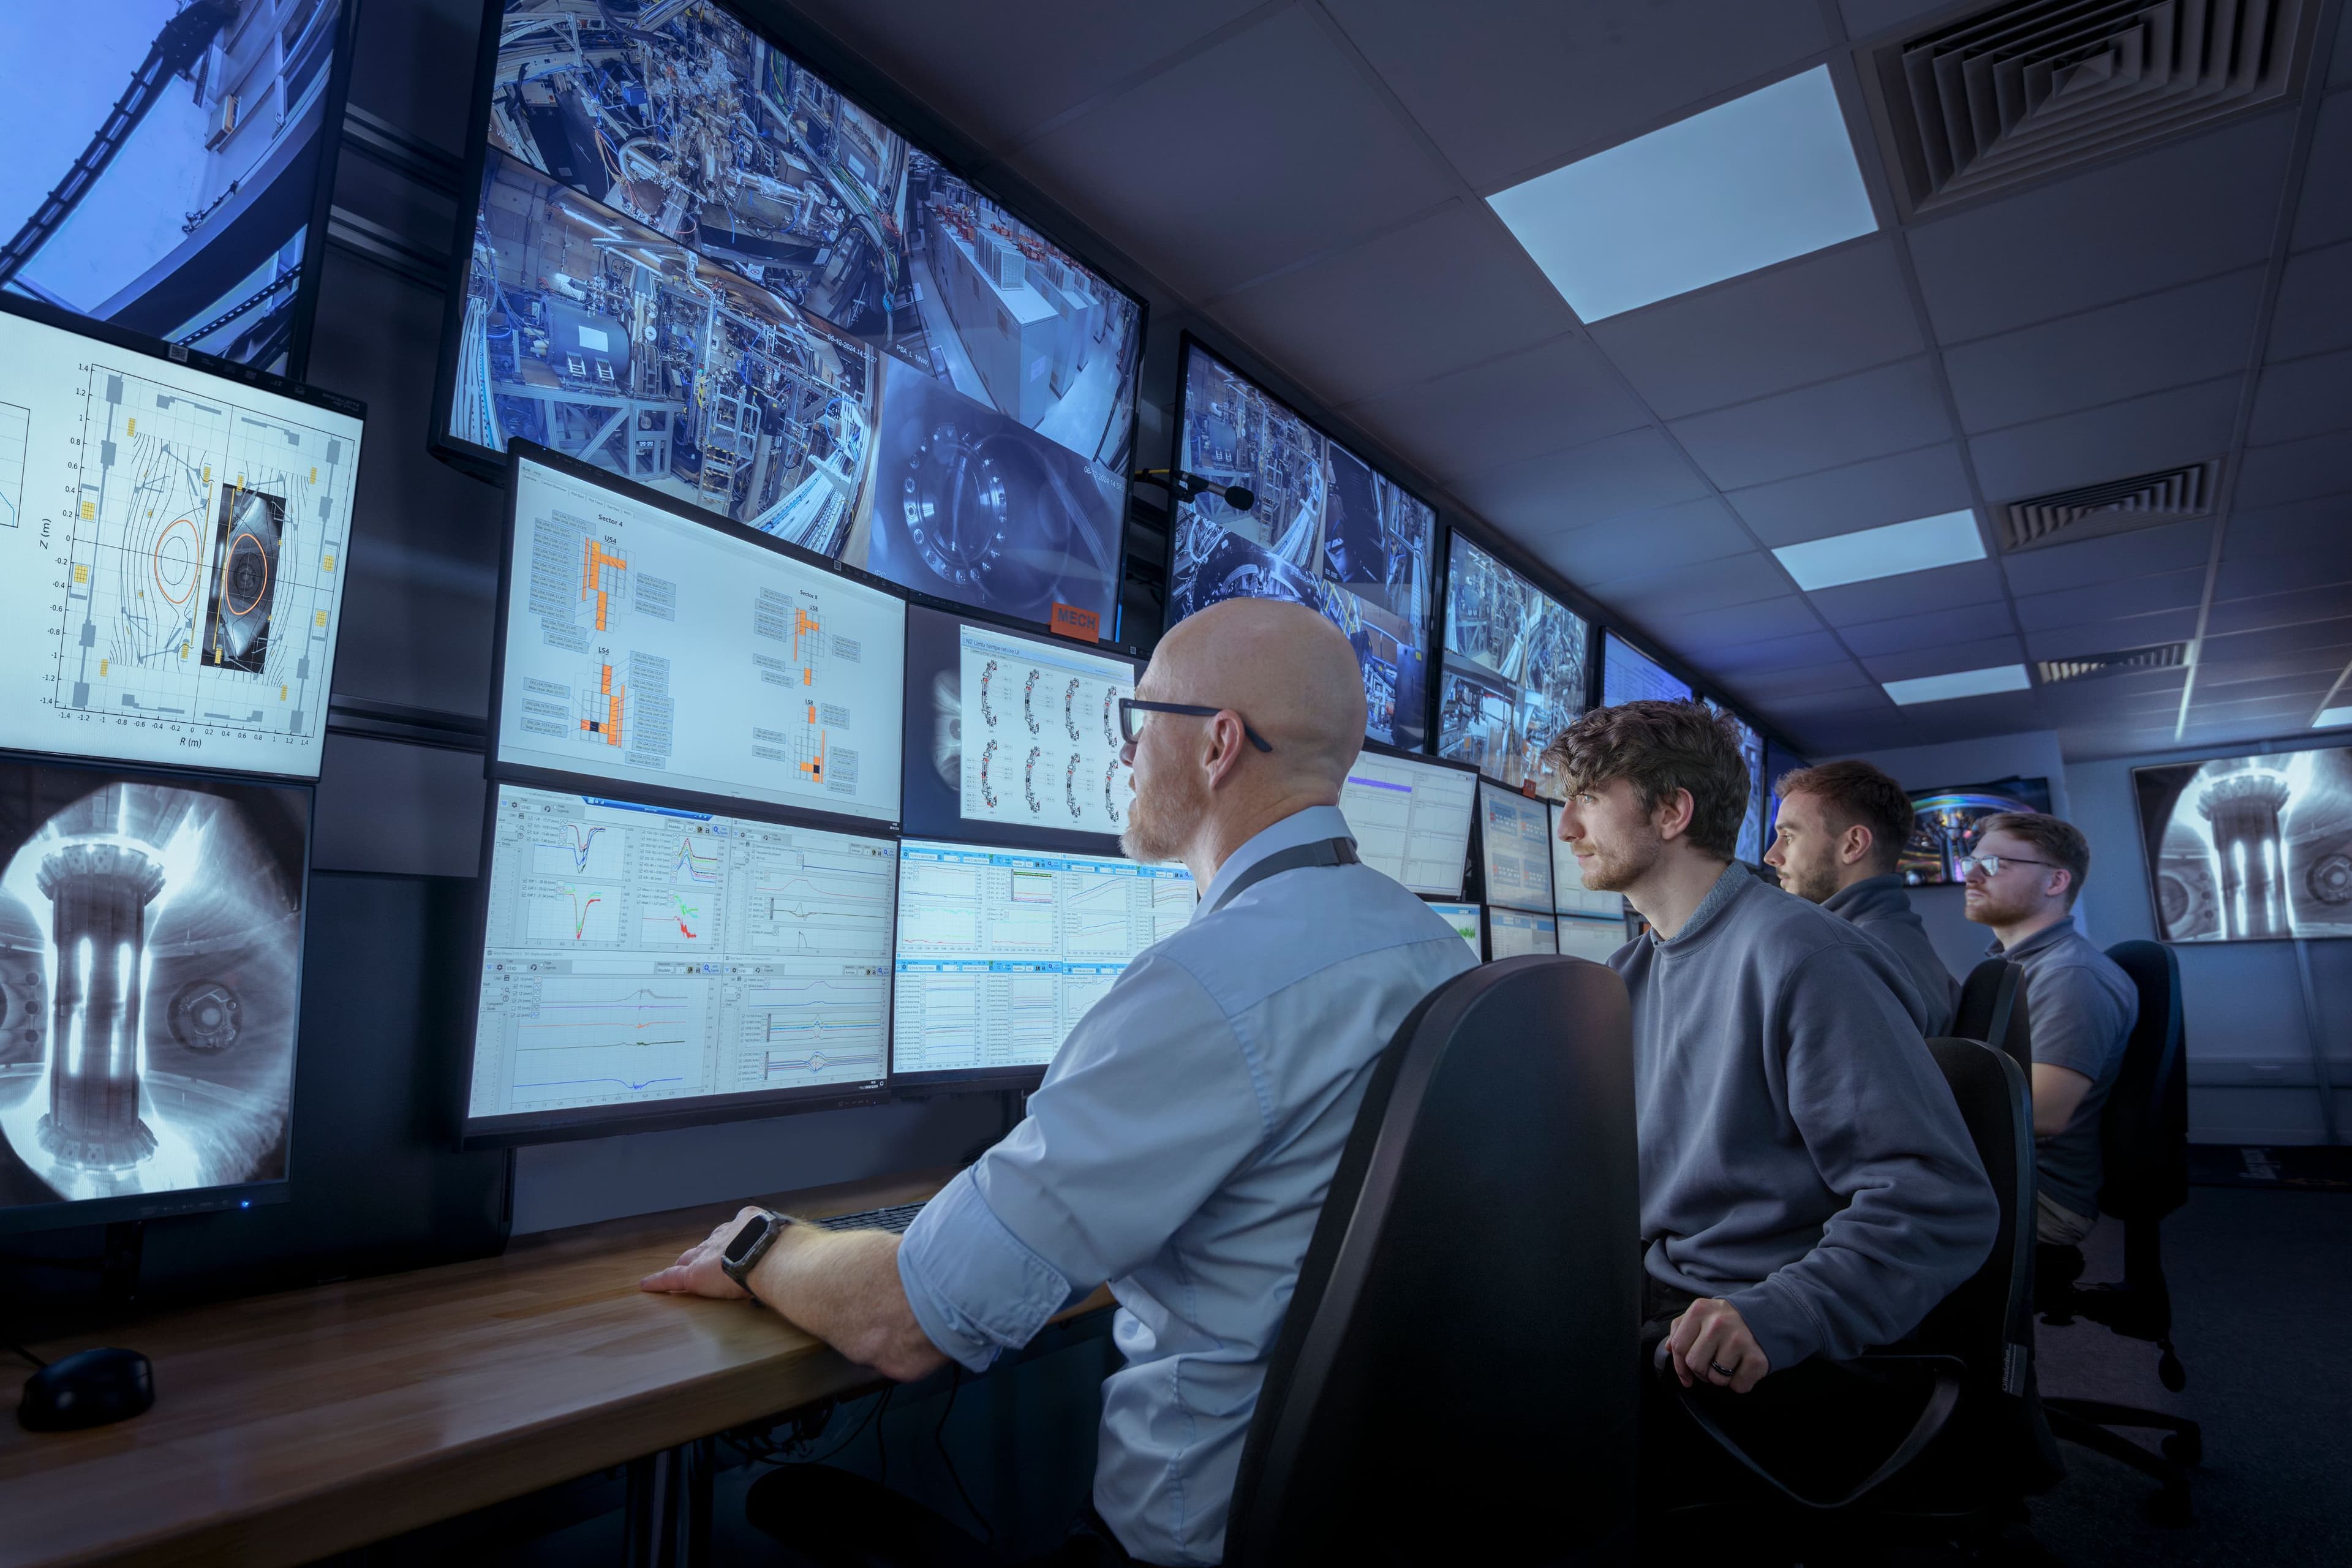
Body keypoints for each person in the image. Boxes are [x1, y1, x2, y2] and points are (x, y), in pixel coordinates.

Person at [640, 599, 1477, 1567]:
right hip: (1379, 1529)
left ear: (1217, 745)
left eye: (1139, 721)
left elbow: (908, 1320)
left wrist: (764, 1244)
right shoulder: (1435, 951)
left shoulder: (1209, 985)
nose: (1125, 757)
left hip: (1194, 1545)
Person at [1544, 701, 1996, 1506]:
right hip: (1662, 1293)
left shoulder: (1801, 955)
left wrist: (1784, 1313)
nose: (1565, 827)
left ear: (1673, 811)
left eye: (1586, 798)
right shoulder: (1631, 974)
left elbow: (1940, 1201)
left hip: (1748, 1325)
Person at [1961, 812, 2137, 1250]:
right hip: (2003, 1173)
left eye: (1996, 864)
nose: (1972, 875)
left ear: (2056, 882)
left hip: (2040, 1198)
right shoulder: (2018, 966)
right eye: (1973, 861)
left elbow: (2044, 1114)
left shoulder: (2071, 974)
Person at [1764, 759, 1960, 1035]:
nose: (1771, 856)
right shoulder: (1901, 940)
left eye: (1788, 836)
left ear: (1853, 845)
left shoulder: (1848, 959)